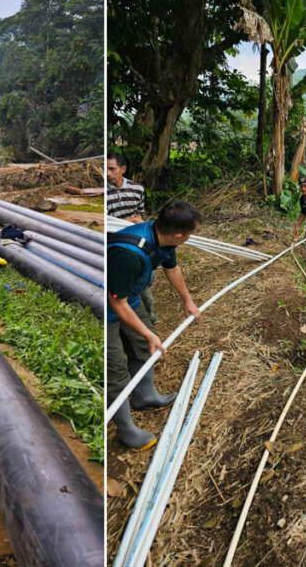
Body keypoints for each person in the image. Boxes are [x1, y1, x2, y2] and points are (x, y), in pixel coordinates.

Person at [107, 201, 202, 450]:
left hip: (131, 297)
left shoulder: (164, 239)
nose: (191, 237)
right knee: (115, 370)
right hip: (108, 308)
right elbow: (117, 304)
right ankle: (126, 431)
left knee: (143, 346)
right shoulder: (128, 253)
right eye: (191, 233)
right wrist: (148, 333)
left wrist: (187, 300)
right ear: (179, 234)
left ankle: (144, 395)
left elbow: (172, 268)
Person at [106, 151, 160, 322]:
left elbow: (140, 215)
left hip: (136, 240)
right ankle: (124, 314)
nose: (107, 173)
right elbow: (106, 222)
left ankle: (149, 313)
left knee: (143, 279)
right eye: (105, 169)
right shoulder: (103, 192)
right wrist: (132, 221)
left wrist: (137, 222)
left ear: (123, 169)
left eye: (112, 169)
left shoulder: (137, 189)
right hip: (114, 241)